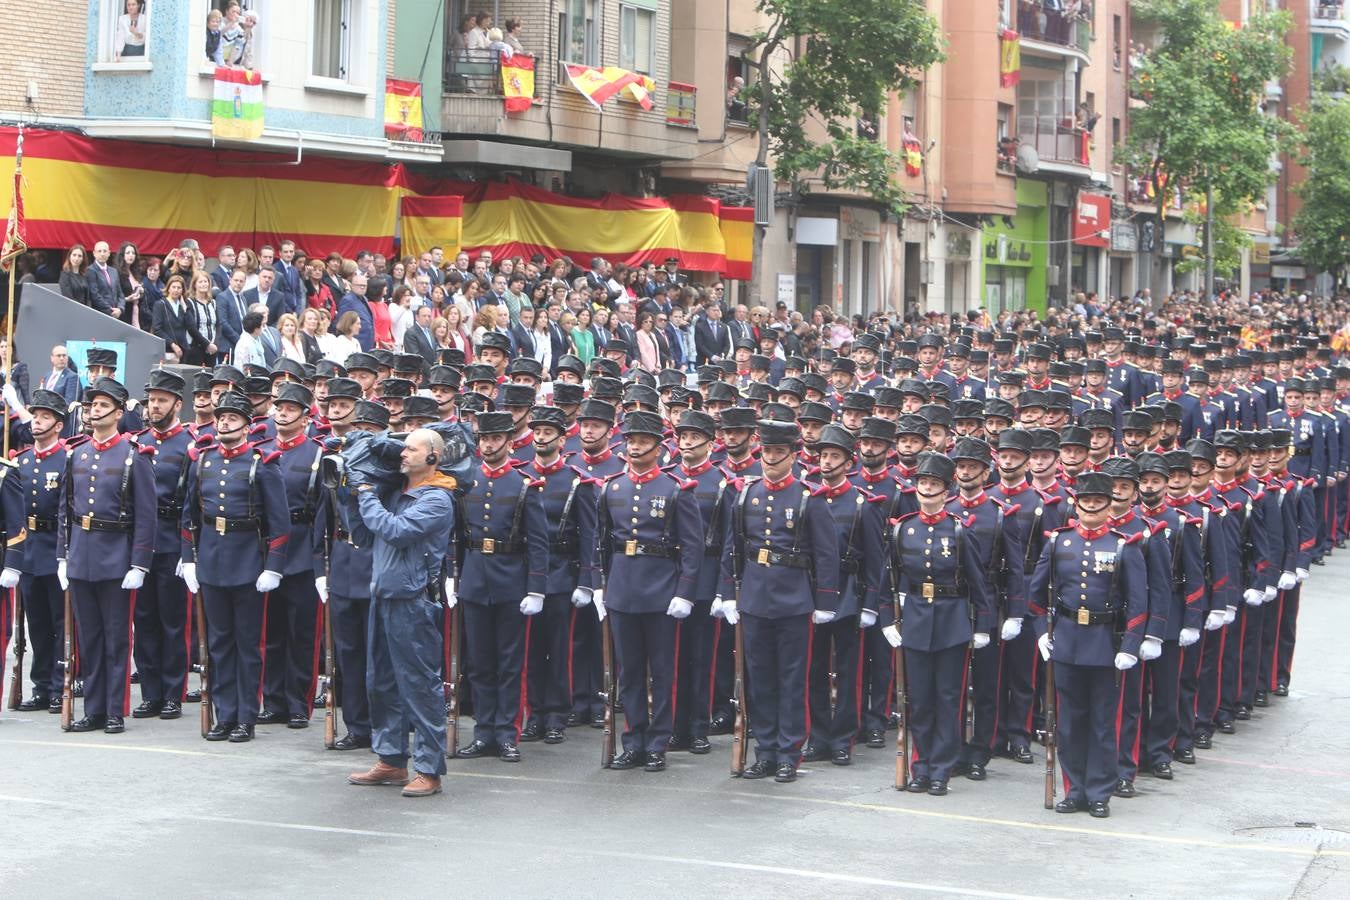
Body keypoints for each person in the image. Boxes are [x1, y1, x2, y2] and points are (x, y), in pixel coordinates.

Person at [713, 418, 841, 783]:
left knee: (792, 679)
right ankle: (765, 750)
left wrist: (825, 600)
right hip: (753, 596)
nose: (770, 459)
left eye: (778, 452)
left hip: (794, 599)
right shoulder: (746, 494)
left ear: (793, 455)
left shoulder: (808, 497)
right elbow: (732, 549)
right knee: (760, 679)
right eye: (766, 451)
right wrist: (728, 594)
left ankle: (789, 752)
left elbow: (826, 553)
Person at [343, 428, 457, 798]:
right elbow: (363, 535)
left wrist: (365, 493)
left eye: (412, 449)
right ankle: (391, 759)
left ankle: (429, 769)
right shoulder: (394, 493)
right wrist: (348, 493)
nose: (403, 454)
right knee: (381, 683)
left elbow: (394, 530)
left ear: (432, 458)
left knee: (420, 687)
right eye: (403, 448)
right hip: (385, 596)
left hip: (413, 601)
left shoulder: (438, 498)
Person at [1029, 471, 1149, 819]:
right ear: (1076, 504)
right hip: (1066, 641)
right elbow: (1036, 596)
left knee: (1101, 723)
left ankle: (1099, 791)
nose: (1092, 508)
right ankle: (1074, 789)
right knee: (1069, 722)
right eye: (1087, 502)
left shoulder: (1123, 545)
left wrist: (1129, 645)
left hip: (1104, 644)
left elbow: (1139, 602)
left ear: (1110, 505)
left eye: (1099, 502)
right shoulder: (1058, 542)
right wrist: (1040, 632)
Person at [590, 410, 703, 771]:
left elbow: (692, 546)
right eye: (631, 441)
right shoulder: (612, 488)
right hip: (622, 589)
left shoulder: (675, 489)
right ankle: (633, 740)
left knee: (663, 671)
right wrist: (599, 585)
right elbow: (601, 543)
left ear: (658, 446)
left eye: (642, 441)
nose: (634, 447)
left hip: (661, 590)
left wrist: (684, 591)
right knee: (630, 672)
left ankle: (658, 741)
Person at [180, 390, 290, 743]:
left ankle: (246, 716)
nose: (224, 421)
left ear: (247, 424)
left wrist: (272, 566)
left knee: (247, 644)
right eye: (221, 416)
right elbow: (189, 517)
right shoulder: (203, 462)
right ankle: (224, 714)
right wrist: (188, 560)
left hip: (247, 563)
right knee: (218, 643)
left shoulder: (262, 463)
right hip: (212, 561)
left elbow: (280, 523)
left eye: (231, 417)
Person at [56, 377, 156, 735]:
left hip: (115, 556)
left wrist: (139, 563)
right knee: (89, 638)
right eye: (90, 406)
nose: (93, 412)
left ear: (117, 413)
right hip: (82, 553)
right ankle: (94, 709)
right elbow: (65, 512)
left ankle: (115, 709)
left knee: (116, 638)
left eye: (100, 406)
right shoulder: (76, 452)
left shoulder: (133, 456)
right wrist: (62, 556)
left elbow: (147, 514)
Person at [451, 411, 549, 763]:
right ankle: (483, 731)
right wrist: (453, 576)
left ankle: (507, 733)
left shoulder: (524, 484)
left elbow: (538, 542)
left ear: (509, 442)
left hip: (511, 582)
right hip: (475, 580)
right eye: (484, 439)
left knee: (510, 663)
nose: (489, 445)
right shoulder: (467, 481)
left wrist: (536, 588)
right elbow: (458, 537)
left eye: (495, 439)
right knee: (478, 662)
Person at [255, 383, 325, 729]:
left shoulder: (316, 454)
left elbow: (321, 510)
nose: (281, 413)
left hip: (301, 548)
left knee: (302, 632)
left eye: (289, 409)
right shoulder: (261, 450)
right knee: (272, 630)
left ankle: (299, 701)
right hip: (268, 548)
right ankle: (274, 700)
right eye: (278, 407)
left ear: (305, 416)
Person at [130, 370, 194, 722]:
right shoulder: (137, 442)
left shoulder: (189, 444)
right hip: (142, 544)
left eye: (162, 400)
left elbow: (191, 502)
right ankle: (151, 692)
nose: (154, 406)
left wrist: (188, 552)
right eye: (152, 400)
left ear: (176, 404)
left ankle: (173, 692)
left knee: (172, 622)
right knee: (144, 621)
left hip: (172, 542)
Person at [12, 390, 70, 713]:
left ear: (58, 425)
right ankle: (41, 684)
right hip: (30, 550)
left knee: (61, 622)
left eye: (45, 417)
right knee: (36, 624)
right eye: (35, 416)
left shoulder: (67, 459)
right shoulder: (21, 462)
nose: (37, 421)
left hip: (55, 548)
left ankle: (62, 681)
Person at [152, 274, 193, 361]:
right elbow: (157, 329)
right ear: (168, 288)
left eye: (179, 288)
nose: (176, 290)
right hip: (167, 349)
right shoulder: (160, 304)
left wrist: (185, 308)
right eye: (173, 287)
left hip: (183, 349)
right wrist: (172, 344)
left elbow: (191, 326)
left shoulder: (185, 304)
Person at [185, 270, 221, 366]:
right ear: (194, 285)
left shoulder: (213, 303)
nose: (203, 284)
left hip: (212, 350)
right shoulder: (190, 302)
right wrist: (207, 344)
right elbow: (191, 328)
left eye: (206, 281)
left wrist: (215, 344)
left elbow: (218, 326)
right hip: (196, 349)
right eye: (200, 282)